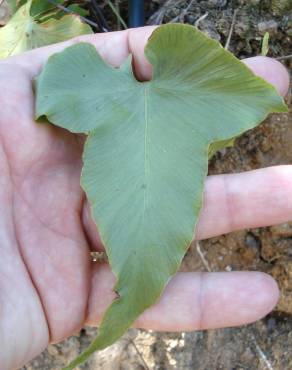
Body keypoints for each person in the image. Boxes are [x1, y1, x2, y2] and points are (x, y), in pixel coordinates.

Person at [0, 26, 290, 370]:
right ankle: (134, 292)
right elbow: (244, 96)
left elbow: (54, 93)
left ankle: (135, 293)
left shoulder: (77, 81)